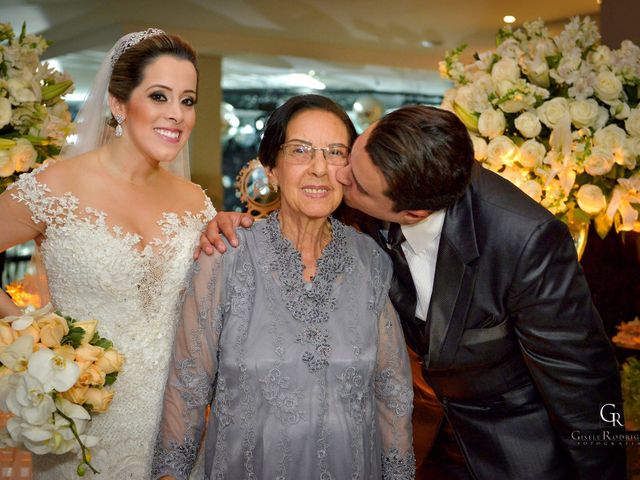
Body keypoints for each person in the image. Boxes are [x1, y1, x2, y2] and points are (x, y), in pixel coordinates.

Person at [203, 105, 625, 480]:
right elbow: (300, 201)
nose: (338, 175)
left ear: (411, 213)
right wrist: (236, 221)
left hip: (509, 447)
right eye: (351, 154)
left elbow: (584, 387)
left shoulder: (524, 240)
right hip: (409, 440)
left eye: (356, 184)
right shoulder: (371, 179)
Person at [151, 94, 415, 480]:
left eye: (335, 152)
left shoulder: (371, 260)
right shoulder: (226, 256)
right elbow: (187, 386)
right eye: (301, 151)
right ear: (271, 167)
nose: (320, 169)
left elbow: (392, 392)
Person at [0, 29, 216, 478]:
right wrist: (32, 336)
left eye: (188, 101)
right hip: (83, 426)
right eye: (159, 96)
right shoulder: (56, 187)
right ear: (119, 104)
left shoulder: (196, 203)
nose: (176, 115)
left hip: (176, 425)